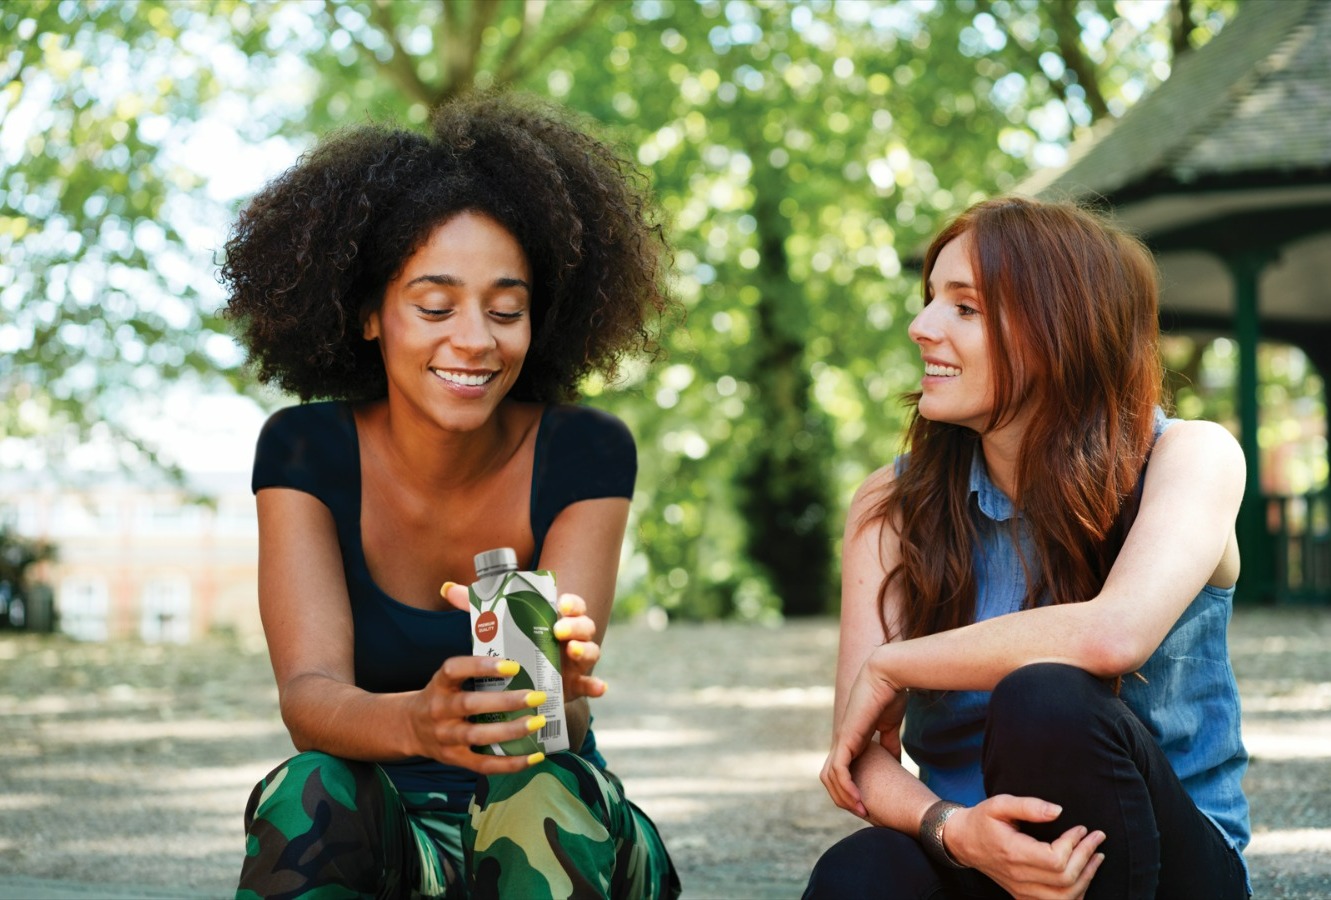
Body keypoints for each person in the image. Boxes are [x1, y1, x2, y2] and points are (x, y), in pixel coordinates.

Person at [220, 92, 680, 899]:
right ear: (368, 315)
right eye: (435, 305)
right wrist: (414, 721)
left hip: (557, 826)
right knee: (307, 790)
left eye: (506, 309)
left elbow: (554, 721)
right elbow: (309, 698)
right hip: (395, 841)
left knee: (536, 788)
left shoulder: (585, 451)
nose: (474, 338)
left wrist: (560, 691)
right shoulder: (304, 449)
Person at [805, 196, 1250, 899]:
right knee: (857, 874)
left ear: (1058, 332)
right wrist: (952, 829)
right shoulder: (889, 505)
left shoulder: (1192, 458)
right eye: (929, 301)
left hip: (1164, 868)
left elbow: (1113, 634)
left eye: (965, 309)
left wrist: (894, 665)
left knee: (1044, 698)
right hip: (982, 859)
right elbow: (857, 756)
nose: (920, 328)